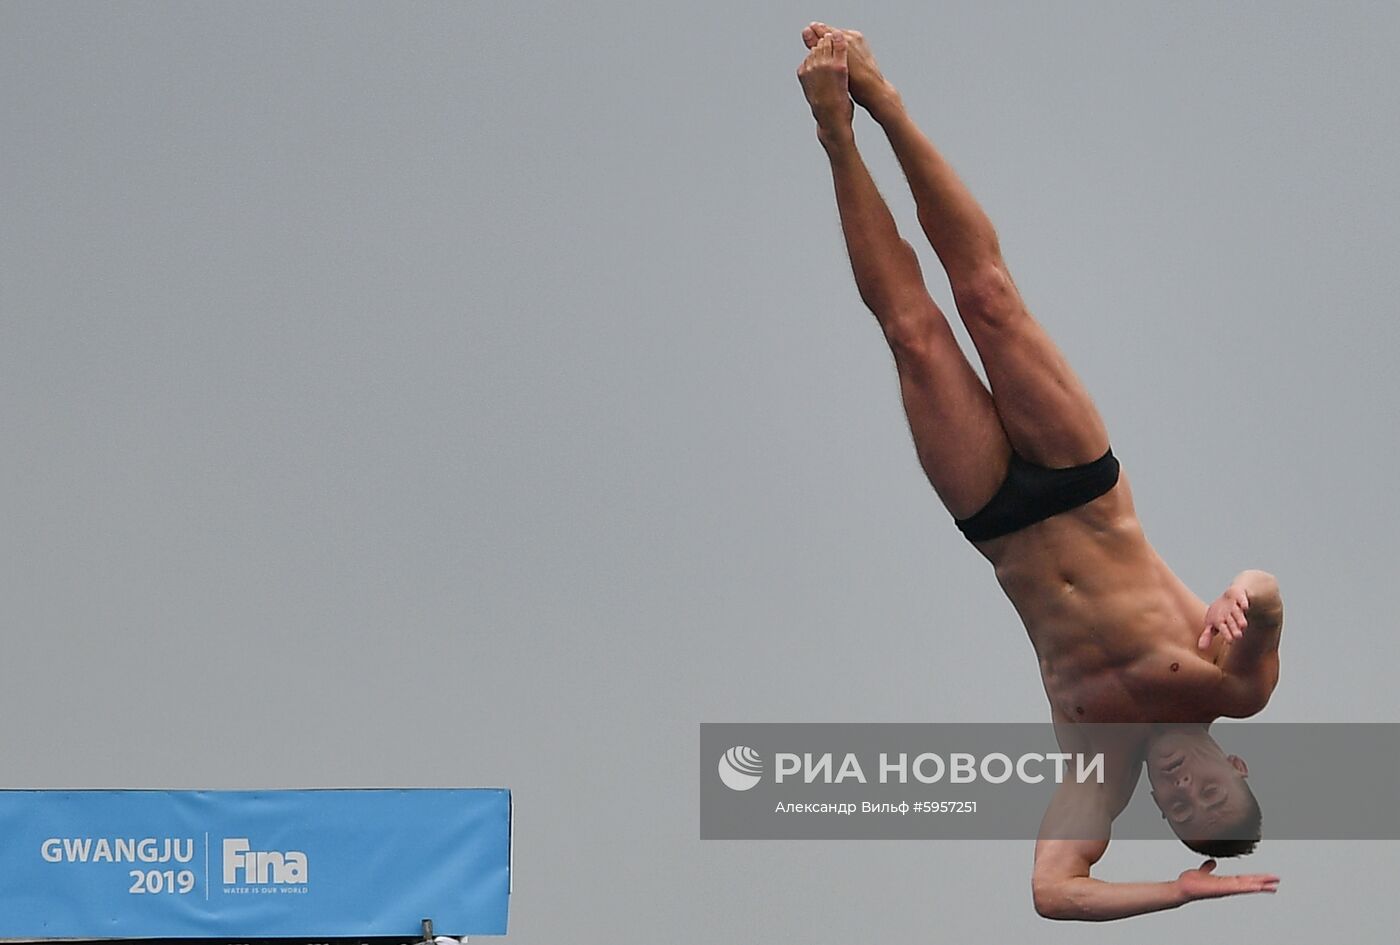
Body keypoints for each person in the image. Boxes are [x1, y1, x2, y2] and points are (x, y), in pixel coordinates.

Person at [795, 23, 1284, 920]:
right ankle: (885, 102)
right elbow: (1270, 591)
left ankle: (836, 136)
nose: (1184, 789)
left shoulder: (1098, 772)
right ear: (1234, 762)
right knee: (986, 297)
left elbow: (1053, 892)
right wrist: (1240, 596)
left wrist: (1173, 894)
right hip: (1082, 487)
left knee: (913, 335)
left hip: (998, 522)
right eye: (1210, 790)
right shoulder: (1235, 685)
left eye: (1179, 810)